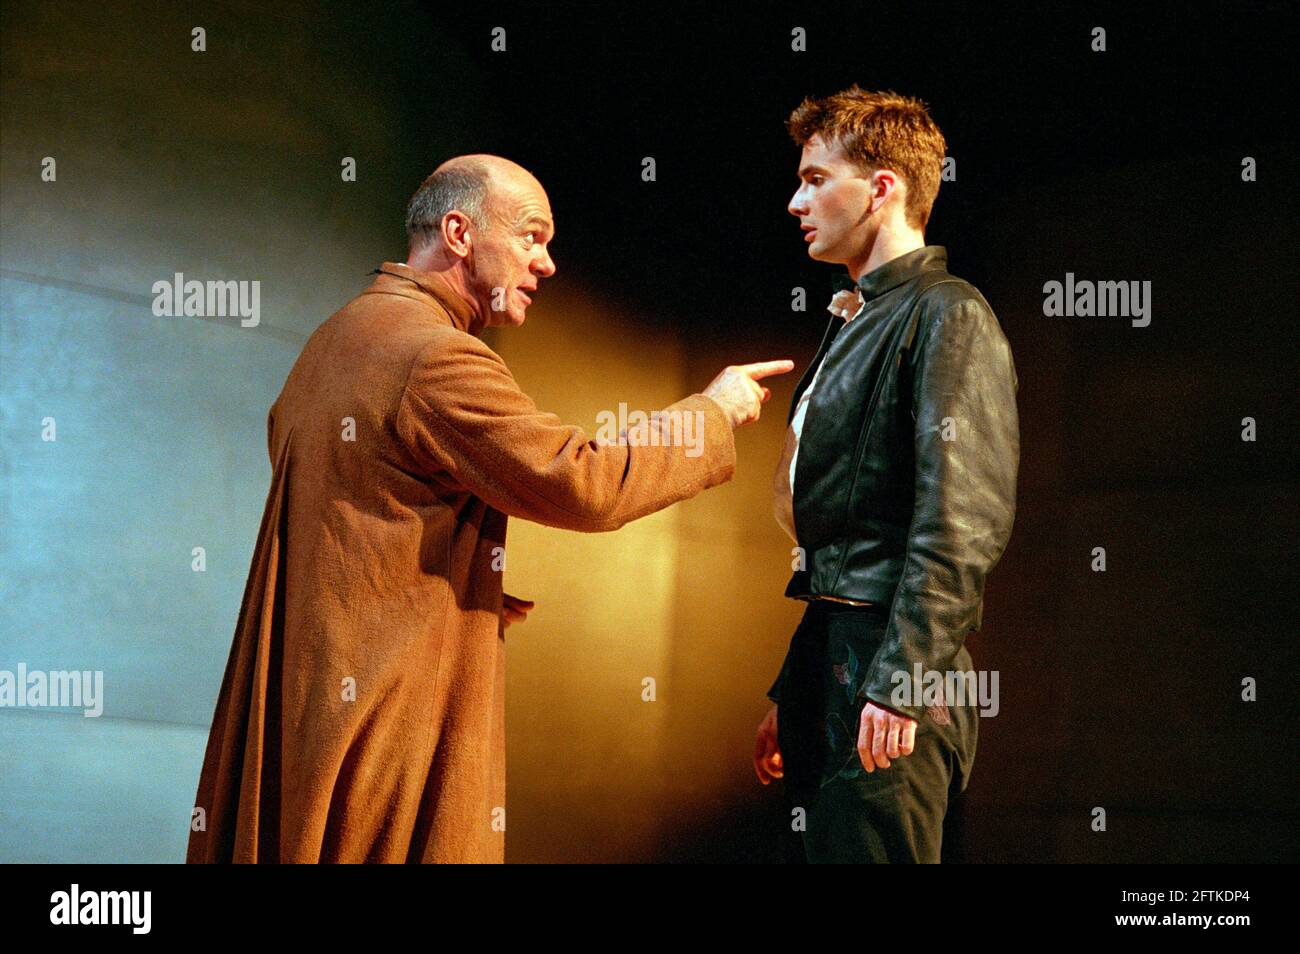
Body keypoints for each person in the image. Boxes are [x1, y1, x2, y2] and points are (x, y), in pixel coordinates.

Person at [187, 153, 792, 863]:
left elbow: (355, 510)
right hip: (385, 718)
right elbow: (583, 482)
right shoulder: (434, 355)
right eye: (532, 236)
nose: (548, 263)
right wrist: (708, 416)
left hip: (305, 714)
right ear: (460, 231)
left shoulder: (335, 340)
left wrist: (453, 571)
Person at [752, 88, 1020, 863]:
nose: (797, 200)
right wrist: (796, 686)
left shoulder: (947, 313)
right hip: (838, 655)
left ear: (881, 187)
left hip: (888, 667)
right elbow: (840, 537)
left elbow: (962, 521)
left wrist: (900, 679)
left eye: (814, 178)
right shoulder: (856, 315)